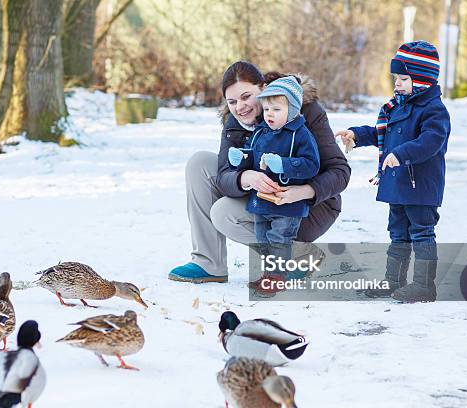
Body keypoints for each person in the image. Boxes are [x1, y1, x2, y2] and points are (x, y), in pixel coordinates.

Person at [169, 61, 350, 284]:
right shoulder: (235, 121)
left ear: (263, 88)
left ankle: (295, 256)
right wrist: (245, 177)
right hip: (264, 200)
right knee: (199, 163)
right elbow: (225, 174)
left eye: (246, 97)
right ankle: (209, 263)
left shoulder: (304, 111)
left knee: (224, 213)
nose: (240, 107)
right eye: (232, 101)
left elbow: (340, 171)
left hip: (309, 207)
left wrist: (303, 191)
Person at [335, 41, 450, 302]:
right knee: (397, 232)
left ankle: (424, 286)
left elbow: (431, 141)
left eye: (404, 78)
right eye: (396, 78)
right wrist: (356, 134)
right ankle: (393, 281)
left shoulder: (434, 110)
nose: (397, 83)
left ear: (422, 80)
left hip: (420, 187)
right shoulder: (397, 106)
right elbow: (383, 134)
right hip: (398, 184)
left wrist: (401, 154)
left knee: (421, 232)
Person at [228, 75, 319, 253]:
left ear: (292, 110)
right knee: (262, 240)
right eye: (267, 108)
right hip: (262, 201)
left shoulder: (300, 134)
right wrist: (241, 157)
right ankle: (268, 275)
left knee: (279, 240)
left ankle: (277, 277)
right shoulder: (261, 130)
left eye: (276, 109)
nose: (269, 113)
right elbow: (253, 154)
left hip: (287, 205)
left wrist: (283, 165)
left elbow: (311, 165)